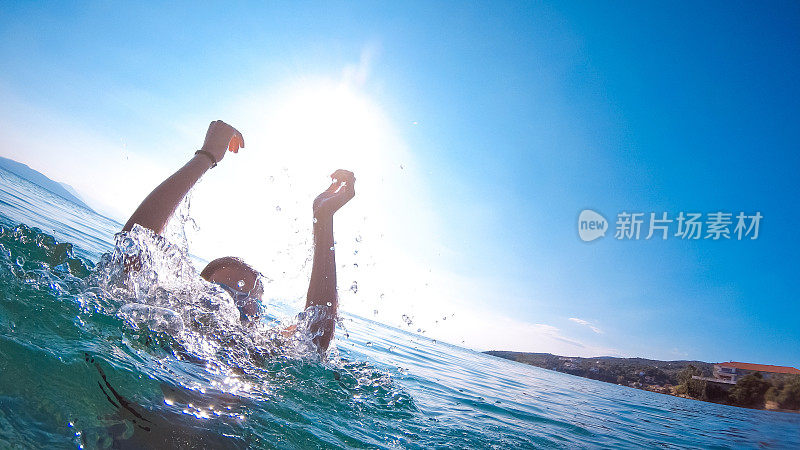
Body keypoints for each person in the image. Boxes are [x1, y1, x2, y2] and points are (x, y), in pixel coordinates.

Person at [122, 120, 355, 353]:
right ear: (192, 295)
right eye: (220, 293)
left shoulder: (258, 351)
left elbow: (316, 335)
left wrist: (323, 219)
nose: (234, 305)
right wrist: (206, 156)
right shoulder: (166, 325)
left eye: (247, 301)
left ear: (259, 317)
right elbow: (134, 245)